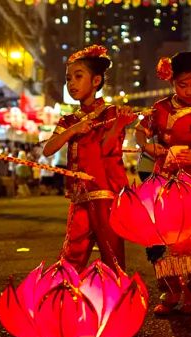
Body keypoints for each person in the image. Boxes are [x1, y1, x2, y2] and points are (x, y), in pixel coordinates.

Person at [134, 51, 191, 315]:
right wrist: (149, 147)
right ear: (172, 81)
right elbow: (140, 132)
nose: (189, 91)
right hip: (165, 185)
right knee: (162, 241)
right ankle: (172, 288)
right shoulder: (160, 108)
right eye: (182, 85)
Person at [43, 44, 135, 274]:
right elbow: (48, 149)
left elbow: (105, 150)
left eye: (78, 76)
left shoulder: (111, 113)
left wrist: (118, 126)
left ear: (96, 81)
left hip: (104, 191)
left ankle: (117, 300)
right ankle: (64, 295)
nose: (71, 83)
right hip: (79, 194)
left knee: (111, 252)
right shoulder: (68, 120)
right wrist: (73, 130)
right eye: (68, 78)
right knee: (73, 251)